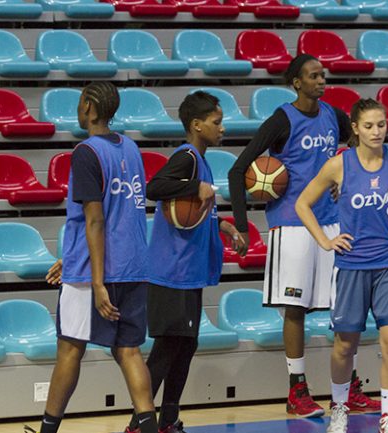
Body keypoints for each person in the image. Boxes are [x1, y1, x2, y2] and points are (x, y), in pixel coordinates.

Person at [227, 54, 380, 417]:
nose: (321, 80)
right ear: (296, 82)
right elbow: (238, 170)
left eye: (323, 75)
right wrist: (243, 224)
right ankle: (297, 391)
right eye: (313, 76)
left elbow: (358, 145)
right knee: (295, 309)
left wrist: (347, 179)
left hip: (331, 224)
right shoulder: (282, 119)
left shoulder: (334, 116)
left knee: (346, 309)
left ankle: (349, 388)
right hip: (292, 223)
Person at [295, 98, 388, 433]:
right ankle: (339, 408)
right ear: (355, 128)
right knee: (345, 345)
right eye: (368, 126)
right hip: (352, 264)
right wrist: (325, 240)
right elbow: (303, 203)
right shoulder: (339, 165)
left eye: (381, 125)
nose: (376, 132)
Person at [25, 82, 159, 433]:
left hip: (93, 275)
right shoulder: (130, 147)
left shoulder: (86, 152)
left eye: (80, 101)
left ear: (88, 106)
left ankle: (47, 430)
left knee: (70, 349)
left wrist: (96, 281)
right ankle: (148, 427)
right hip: (133, 267)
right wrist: (70, 257)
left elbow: (96, 219)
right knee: (129, 352)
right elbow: (120, 216)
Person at [124, 91, 241, 433]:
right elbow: (155, 187)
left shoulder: (200, 160)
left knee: (186, 346)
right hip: (171, 272)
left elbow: (191, 211)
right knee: (167, 348)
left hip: (187, 273)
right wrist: (196, 186)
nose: (222, 128)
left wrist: (222, 224)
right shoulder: (188, 158)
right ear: (196, 125)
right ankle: (138, 423)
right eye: (216, 123)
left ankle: (169, 418)